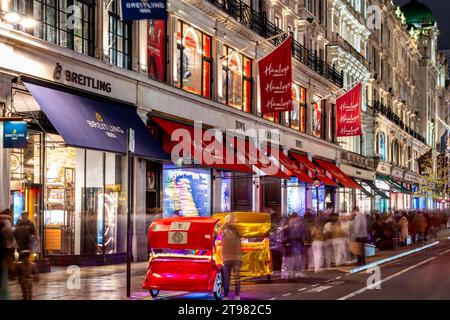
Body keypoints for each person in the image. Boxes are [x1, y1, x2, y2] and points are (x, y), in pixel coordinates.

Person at [220, 214, 242, 300]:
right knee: (237, 277)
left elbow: (218, 236)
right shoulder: (237, 230)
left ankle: (225, 296)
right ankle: (237, 295)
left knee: (227, 278)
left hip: (226, 258)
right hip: (236, 257)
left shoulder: (223, 230)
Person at [288, 213, 306, 278]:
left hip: (293, 241)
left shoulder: (290, 222)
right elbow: (302, 230)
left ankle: (293, 272)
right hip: (298, 240)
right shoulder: (297, 220)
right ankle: (297, 272)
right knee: (298, 256)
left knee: (294, 256)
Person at [0, 209, 16, 280]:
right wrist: (10, 242)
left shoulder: (3, 219)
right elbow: (9, 231)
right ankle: (10, 275)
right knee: (9, 260)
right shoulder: (6, 220)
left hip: (5, 243)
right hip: (8, 244)